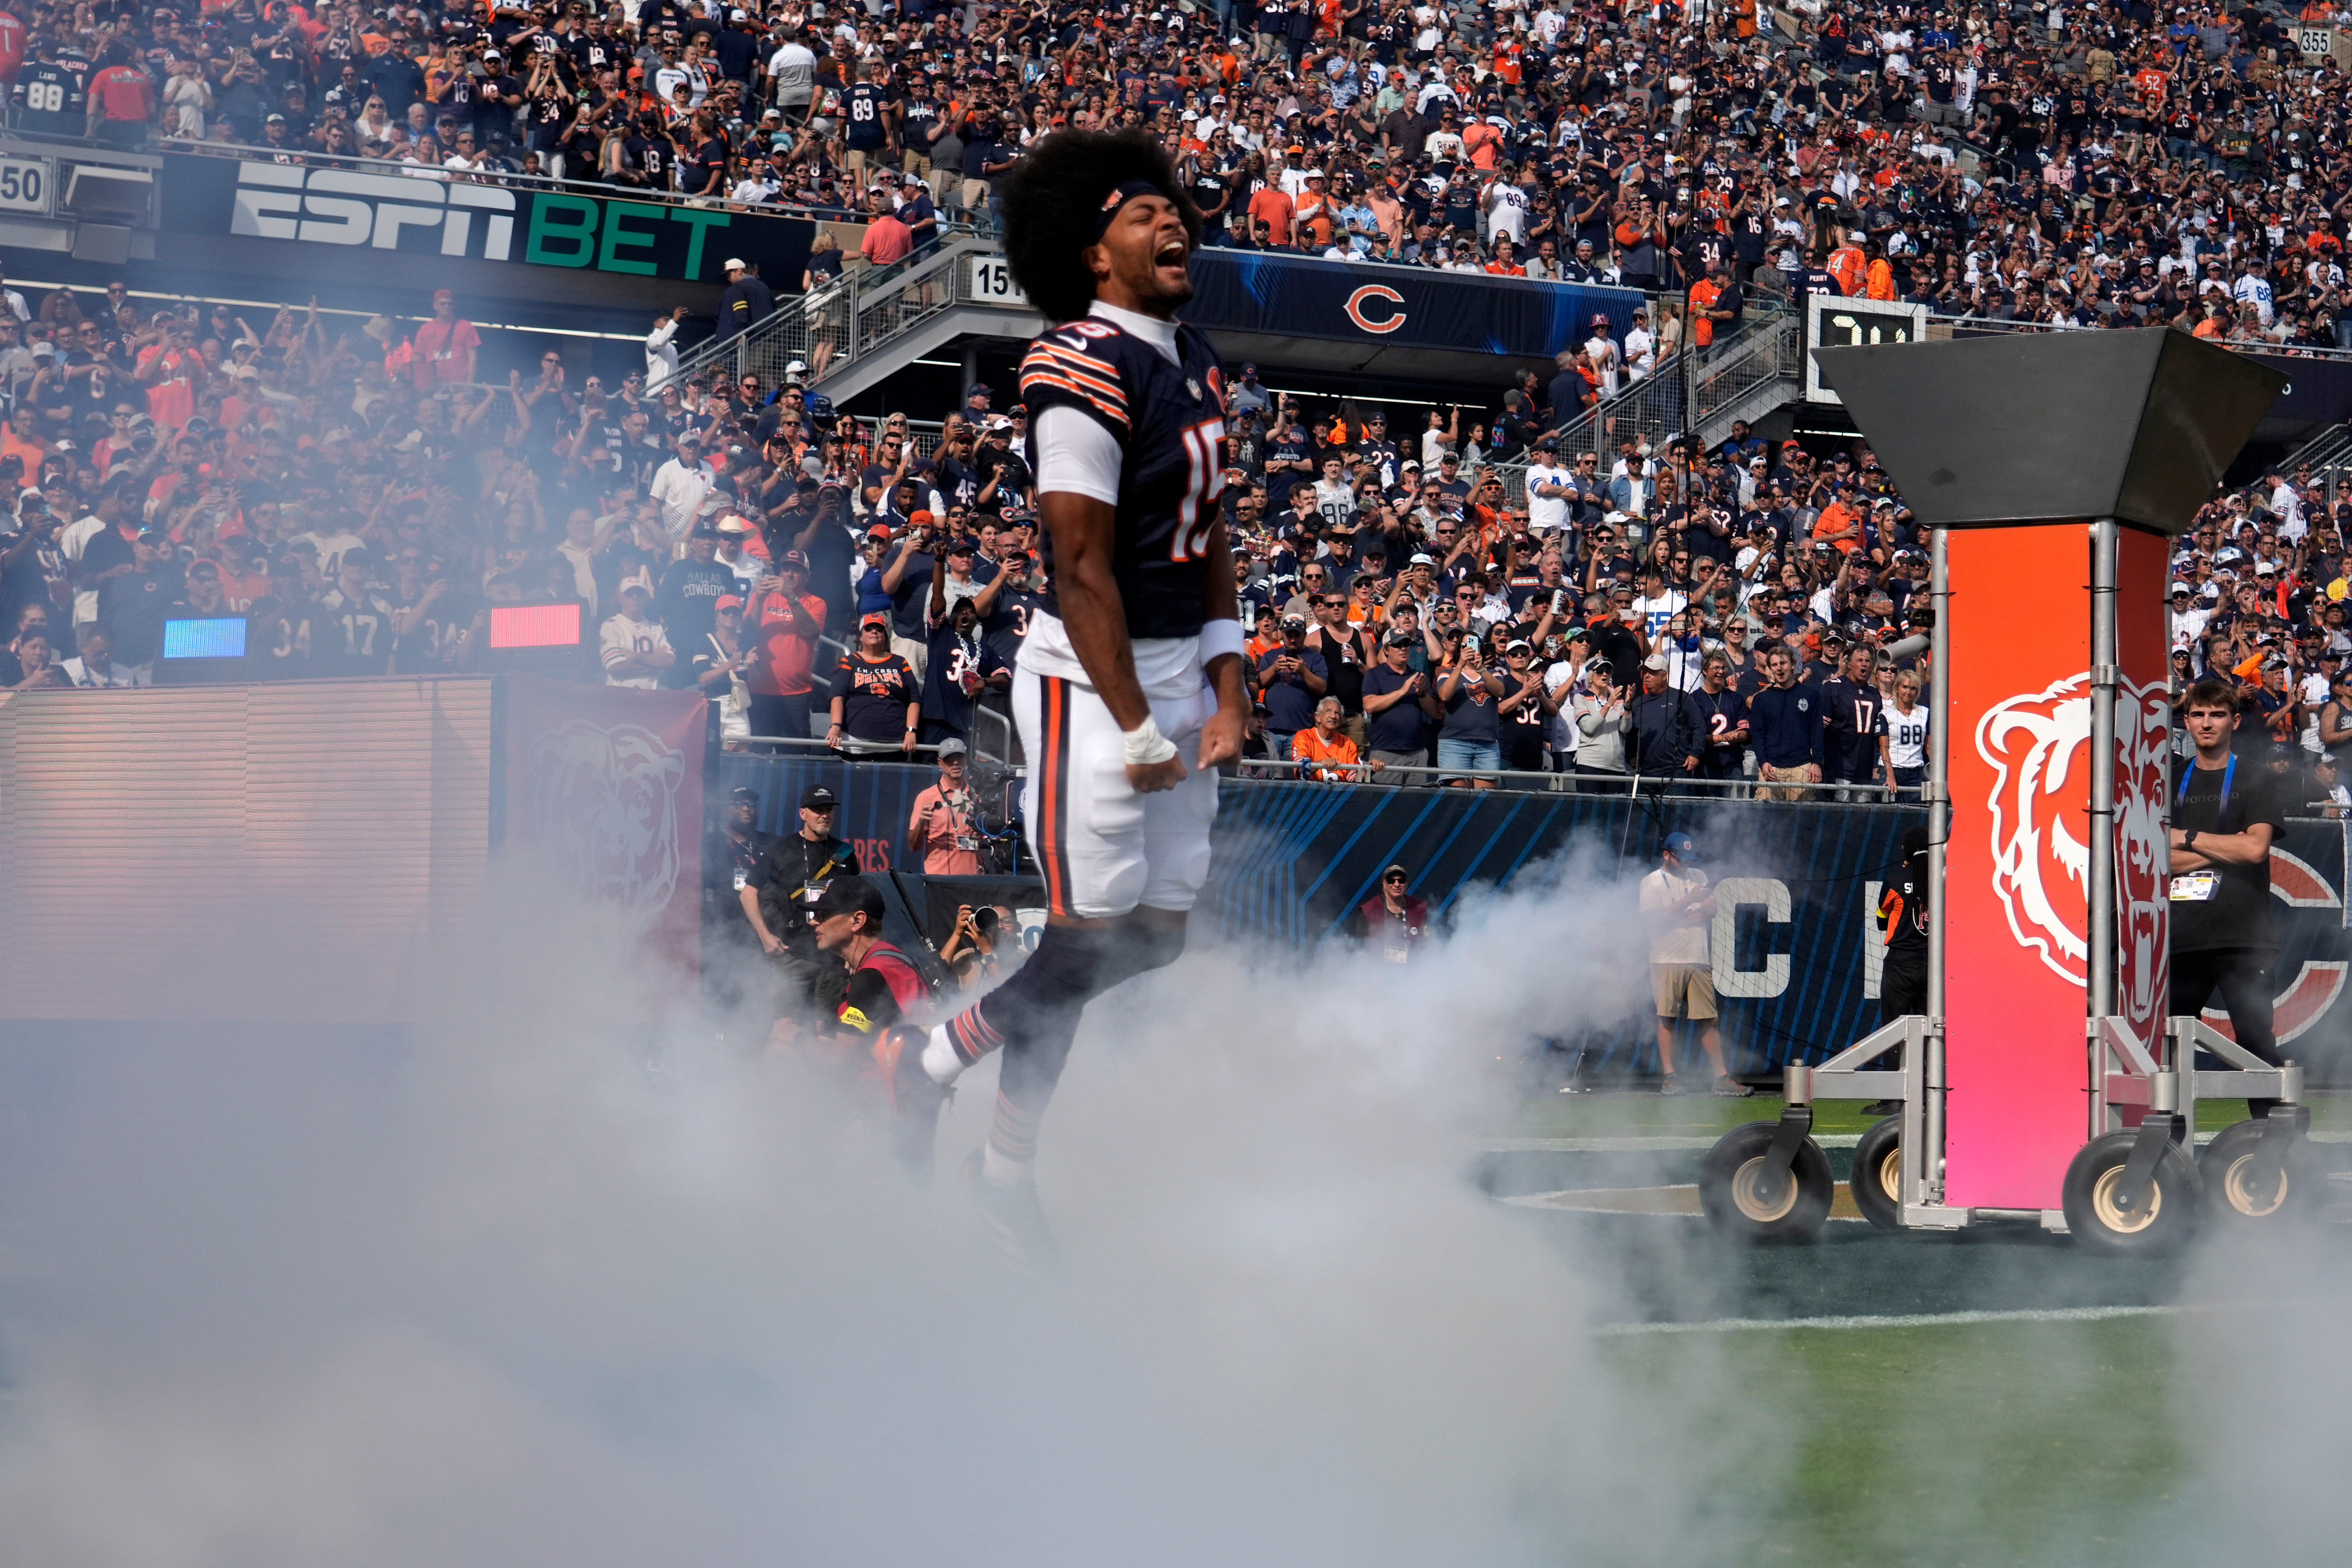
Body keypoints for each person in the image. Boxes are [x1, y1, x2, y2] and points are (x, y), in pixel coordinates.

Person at [870, 131, 1248, 1267]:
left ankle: (933, 1066)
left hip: (1181, 671)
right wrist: (1133, 723)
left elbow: (1211, 533)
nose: (1171, 223)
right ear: (1092, 253)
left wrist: (1229, 683)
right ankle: (989, 1153)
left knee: (1157, 936)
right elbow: (1078, 564)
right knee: (1085, 938)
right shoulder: (1073, 364)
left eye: (1173, 211)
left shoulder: (1192, 351)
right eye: (1142, 216)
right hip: (1093, 679)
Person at [2169, 678, 2292, 1119]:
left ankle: (2275, 1149)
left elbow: (2256, 849)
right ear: (2187, 721)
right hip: (2181, 939)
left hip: (2244, 938)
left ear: (2234, 721)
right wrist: (2226, 849)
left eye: (2217, 714)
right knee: (2167, 1048)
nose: (2207, 723)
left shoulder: (2255, 776)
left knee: (2257, 1044)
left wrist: (2189, 838)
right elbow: (2156, 858)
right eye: (2198, 715)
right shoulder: (2172, 777)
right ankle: (2167, 1147)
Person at [1639, 831, 1748, 1096]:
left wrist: (1694, 912)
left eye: (1689, 859)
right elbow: (1655, 922)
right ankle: (1671, 1078)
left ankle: (1721, 1079)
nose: (1686, 865)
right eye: (1681, 859)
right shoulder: (1651, 883)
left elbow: (1712, 907)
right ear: (1667, 855)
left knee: (1708, 1019)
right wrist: (1689, 902)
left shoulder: (1698, 876)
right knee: (1667, 1018)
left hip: (1699, 957)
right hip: (1666, 959)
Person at [740, 785, 858, 1030]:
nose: (824, 815)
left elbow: (856, 905)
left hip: (832, 958)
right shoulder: (780, 850)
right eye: (817, 810)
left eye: (828, 809)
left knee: (825, 1032)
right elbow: (748, 894)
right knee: (785, 1029)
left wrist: (854, 952)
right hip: (791, 956)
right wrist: (765, 937)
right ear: (803, 814)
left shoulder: (845, 853)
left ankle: (815, 1069)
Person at [793, 876, 930, 1077]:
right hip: (910, 1087)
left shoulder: (871, 977)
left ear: (858, 921)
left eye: (823, 914)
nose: (814, 921)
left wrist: (795, 1038)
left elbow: (837, 1060)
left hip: (885, 1098)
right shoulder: (888, 960)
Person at [1867, 824, 1931, 1116]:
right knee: (1931, 1030)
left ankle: (1893, 1097)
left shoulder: (1895, 878)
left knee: (1894, 1027)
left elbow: (1881, 919)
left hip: (1901, 963)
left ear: (1905, 850)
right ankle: (1930, 1095)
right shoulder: (1943, 878)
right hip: (1933, 966)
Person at [743, 551, 825, 743]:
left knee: (796, 758)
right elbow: (747, 632)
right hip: (761, 689)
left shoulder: (816, 603)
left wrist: (790, 597)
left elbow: (811, 632)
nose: (789, 574)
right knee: (759, 754)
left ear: (807, 576)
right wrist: (759, 599)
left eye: (796, 570)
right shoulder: (764, 598)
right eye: (786, 569)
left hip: (796, 693)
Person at [827, 610, 920, 756]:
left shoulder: (900, 662)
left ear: (885, 635)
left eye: (879, 629)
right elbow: (838, 697)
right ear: (861, 636)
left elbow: (914, 699)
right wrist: (836, 726)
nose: (874, 631)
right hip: (854, 744)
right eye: (869, 629)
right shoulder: (849, 662)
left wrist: (911, 731)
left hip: (893, 745)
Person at [907, 737, 986, 874]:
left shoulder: (977, 795)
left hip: (975, 881)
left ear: (966, 760)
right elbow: (913, 846)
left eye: (959, 758)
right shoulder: (927, 797)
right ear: (940, 763)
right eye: (950, 760)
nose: (955, 763)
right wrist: (921, 823)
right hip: (940, 882)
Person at [598, 582, 673, 688]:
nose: (635, 597)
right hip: (620, 696)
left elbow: (669, 662)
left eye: (639, 594)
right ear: (621, 599)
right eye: (630, 594)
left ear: (645, 599)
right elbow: (615, 668)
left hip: (652, 696)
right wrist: (655, 664)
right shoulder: (611, 626)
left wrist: (635, 657)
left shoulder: (656, 629)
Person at [1354, 863, 1427, 963]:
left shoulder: (1420, 908)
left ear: (1406, 884)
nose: (1397, 885)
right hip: (1378, 968)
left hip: (1414, 968)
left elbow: (1428, 942)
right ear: (1384, 884)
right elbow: (1361, 949)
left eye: (1401, 881)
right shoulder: (1368, 910)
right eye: (1392, 881)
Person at [1292, 694, 1363, 780]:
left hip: (1341, 792)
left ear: (1340, 721)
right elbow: (1301, 770)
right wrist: (1321, 764)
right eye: (1328, 711)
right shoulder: (1304, 737)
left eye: (1337, 713)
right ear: (1318, 718)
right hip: (1310, 792)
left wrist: (1372, 768)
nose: (1333, 716)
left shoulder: (1348, 743)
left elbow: (1355, 778)